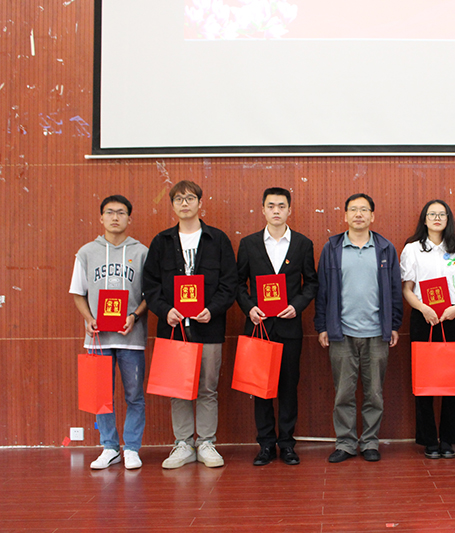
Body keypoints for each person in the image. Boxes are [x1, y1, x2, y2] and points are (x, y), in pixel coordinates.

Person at [143, 180, 237, 469]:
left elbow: (229, 283)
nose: (184, 203)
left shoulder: (217, 240)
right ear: (172, 205)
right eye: (179, 199)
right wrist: (165, 311)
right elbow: (150, 285)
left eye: (190, 198)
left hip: (208, 326)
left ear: (200, 203)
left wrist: (212, 309)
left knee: (208, 388)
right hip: (173, 328)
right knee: (177, 389)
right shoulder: (161, 242)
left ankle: (206, 442)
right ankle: (183, 443)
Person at [314, 193, 403, 463]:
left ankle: (370, 442)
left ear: (372, 216)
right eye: (353, 209)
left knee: (374, 393)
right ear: (345, 215)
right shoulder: (332, 248)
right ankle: (345, 443)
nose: (359, 214)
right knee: (343, 393)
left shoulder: (385, 248)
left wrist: (394, 325)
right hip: (341, 332)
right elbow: (322, 291)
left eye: (364, 210)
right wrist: (322, 326)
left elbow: (395, 290)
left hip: (377, 332)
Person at [236, 187, 319, 466]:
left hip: (289, 327)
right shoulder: (248, 244)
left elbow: (311, 283)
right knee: (260, 388)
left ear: (289, 210)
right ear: (262, 209)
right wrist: (249, 307)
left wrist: (297, 305)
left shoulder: (302, 244)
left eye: (281, 206)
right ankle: (266, 445)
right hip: (259, 327)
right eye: (271, 206)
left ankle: (287, 444)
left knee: (287, 387)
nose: (276, 211)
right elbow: (237, 283)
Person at [70, 195, 148, 470]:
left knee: (134, 395)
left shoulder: (142, 252)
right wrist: (89, 318)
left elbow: (150, 294)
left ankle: (132, 448)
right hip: (98, 338)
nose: (115, 217)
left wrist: (134, 316)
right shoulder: (86, 252)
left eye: (121, 212)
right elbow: (78, 292)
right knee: (100, 396)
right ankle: (109, 447)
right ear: (101, 217)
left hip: (131, 337)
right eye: (110, 212)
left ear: (129, 218)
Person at [400, 200, 455, 459]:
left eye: (442, 214)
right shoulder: (412, 248)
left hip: (452, 318)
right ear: (424, 219)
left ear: (448, 218)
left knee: (452, 380)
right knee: (424, 381)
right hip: (423, 318)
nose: (437, 218)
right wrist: (423, 309)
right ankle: (429, 439)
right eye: (432, 214)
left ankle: (448, 439)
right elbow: (407, 288)